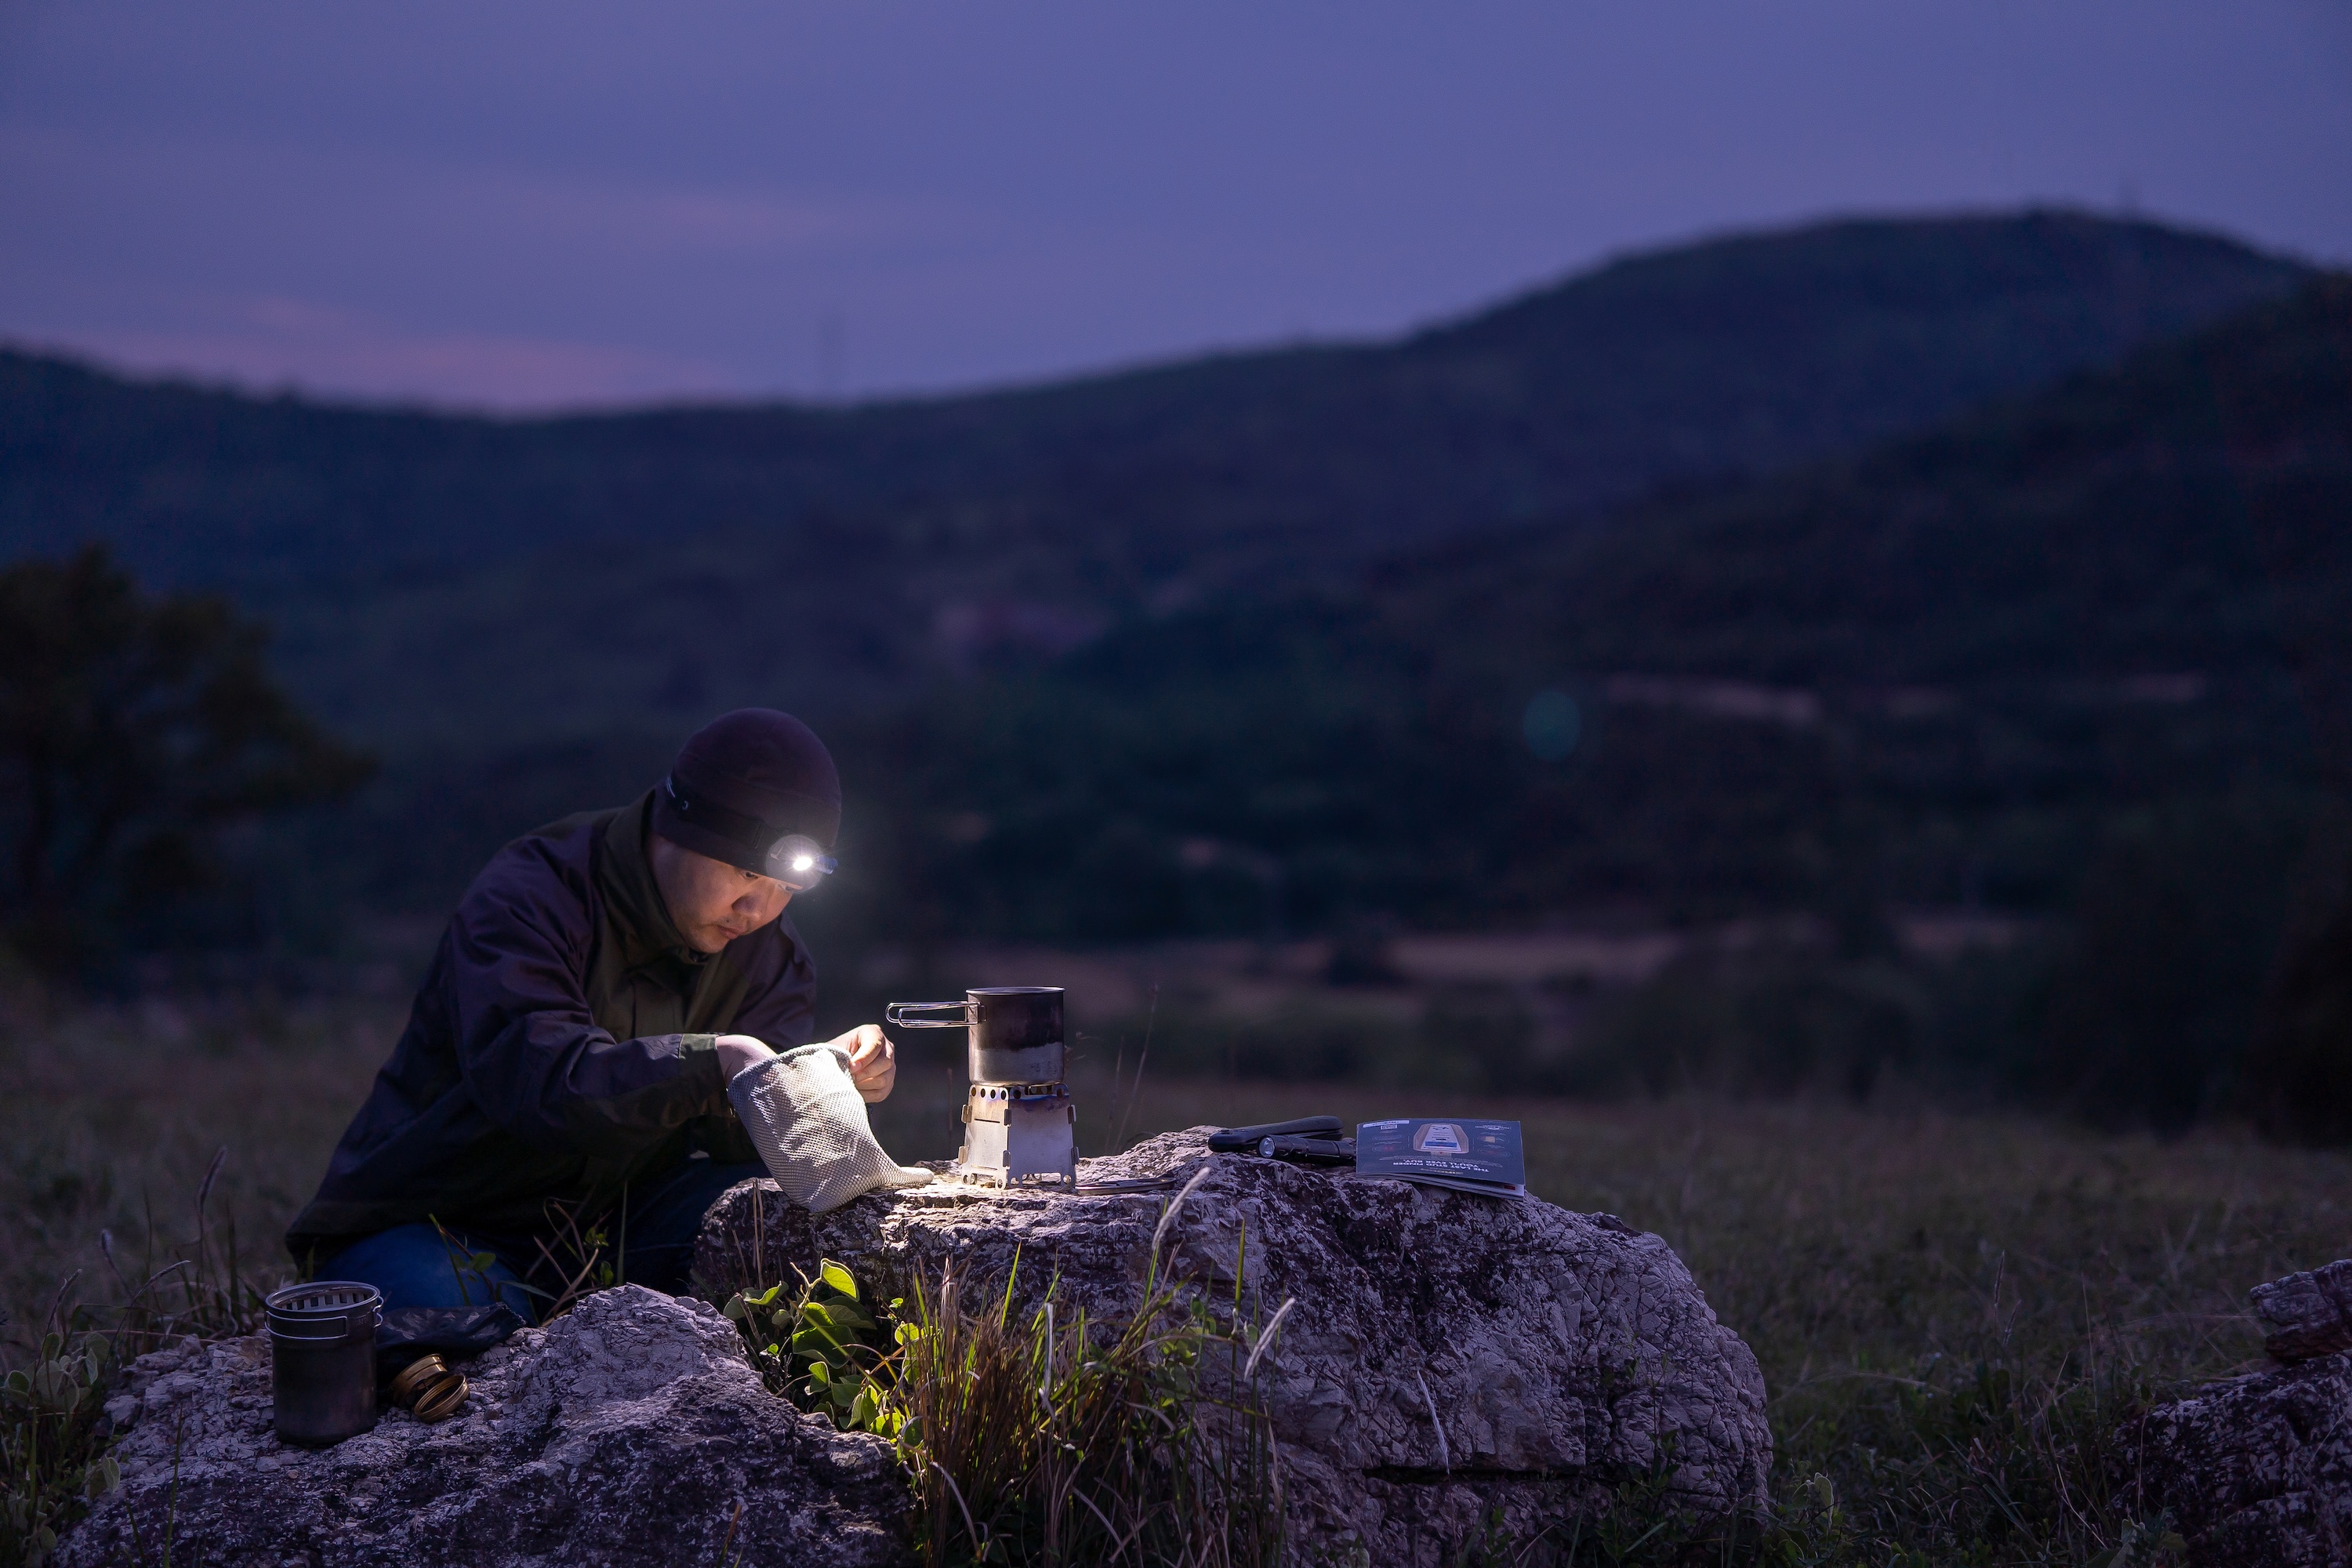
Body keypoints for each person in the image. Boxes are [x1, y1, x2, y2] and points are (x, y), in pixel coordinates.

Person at [285, 709, 893, 1320]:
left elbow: (734, 1144)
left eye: (786, 887)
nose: (757, 907)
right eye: (744, 872)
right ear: (679, 828)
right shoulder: (530, 897)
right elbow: (543, 1086)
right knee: (463, 1322)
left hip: (614, 1226)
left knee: (790, 1231)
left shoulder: (768, 954)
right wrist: (716, 1064)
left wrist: (813, 1076)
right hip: (439, 1223)